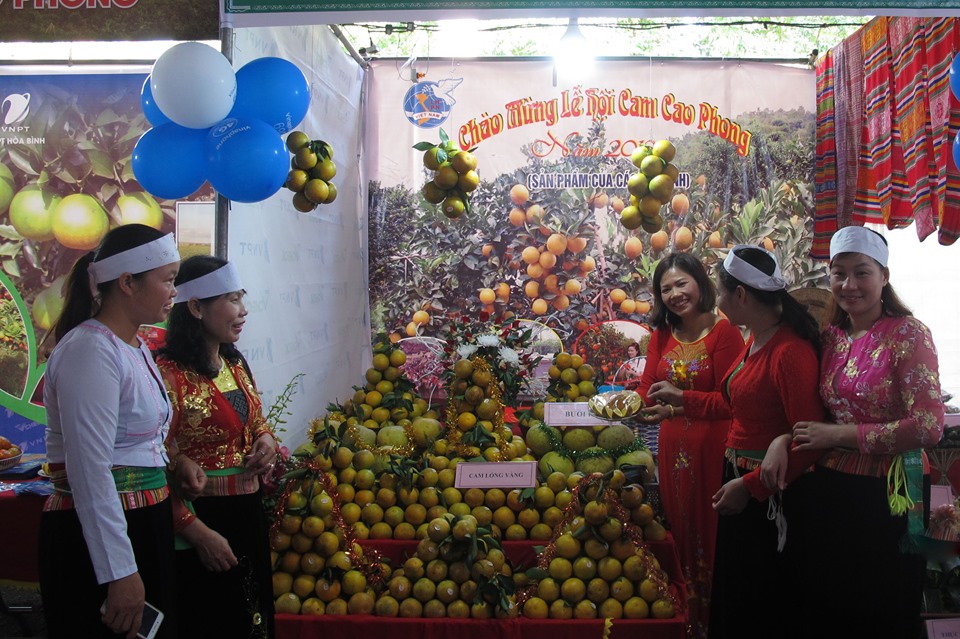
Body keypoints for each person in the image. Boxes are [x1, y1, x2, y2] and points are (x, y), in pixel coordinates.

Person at [762, 226, 944, 639]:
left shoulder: (908, 334)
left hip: (892, 491)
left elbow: (929, 426)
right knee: (832, 602)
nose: (849, 285)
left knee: (883, 605)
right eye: (838, 273)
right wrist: (782, 439)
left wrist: (838, 436)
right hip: (831, 486)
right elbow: (815, 412)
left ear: (884, 277)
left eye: (862, 272)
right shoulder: (831, 338)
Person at [646, 245, 824, 639]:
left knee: (760, 598)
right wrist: (681, 400)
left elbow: (810, 440)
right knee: (739, 592)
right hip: (743, 478)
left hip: (769, 493)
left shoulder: (789, 351)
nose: (719, 301)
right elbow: (732, 400)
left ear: (740, 295)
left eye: (722, 293)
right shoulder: (759, 339)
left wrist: (751, 485)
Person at [39, 225, 181, 639]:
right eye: (168, 280)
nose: (175, 291)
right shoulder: (91, 349)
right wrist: (119, 570)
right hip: (103, 533)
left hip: (142, 519)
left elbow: (142, 442)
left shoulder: (133, 347)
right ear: (126, 283)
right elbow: (89, 470)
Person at [154, 255, 277, 639]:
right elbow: (153, 457)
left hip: (246, 514)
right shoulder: (167, 375)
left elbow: (255, 421)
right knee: (210, 619)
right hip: (201, 520)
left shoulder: (233, 362)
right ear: (195, 307)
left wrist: (266, 440)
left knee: (251, 616)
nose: (243, 311)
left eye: (242, 298)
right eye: (232, 300)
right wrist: (193, 529)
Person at [625, 252, 743, 638]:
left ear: (700, 284)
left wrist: (681, 400)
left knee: (711, 531)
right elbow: (646, 387)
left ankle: (717, 619)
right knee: (680, 527)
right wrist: (629, 407)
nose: (675, 294)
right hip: (672, 445)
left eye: (681, 284)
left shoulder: (724, 333)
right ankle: (689, 619)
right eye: (666, 289)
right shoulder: (662, 333)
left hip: (714, 447)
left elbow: (733, 402)